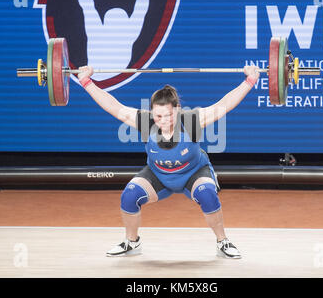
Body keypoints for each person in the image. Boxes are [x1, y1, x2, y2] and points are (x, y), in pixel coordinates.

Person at [76, 65, 260, 258]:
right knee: (129, 195)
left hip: (194, 173)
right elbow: (114, 107)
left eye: (168, 115)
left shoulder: (191, 121)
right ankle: (132, 242)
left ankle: (223, 241)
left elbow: (224, 105)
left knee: (207, 194)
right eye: (158, 116)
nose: (163, 120)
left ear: (178, 110)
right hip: (159, 175)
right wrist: (86, 82)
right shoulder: (146, 122)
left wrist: (249, 81)